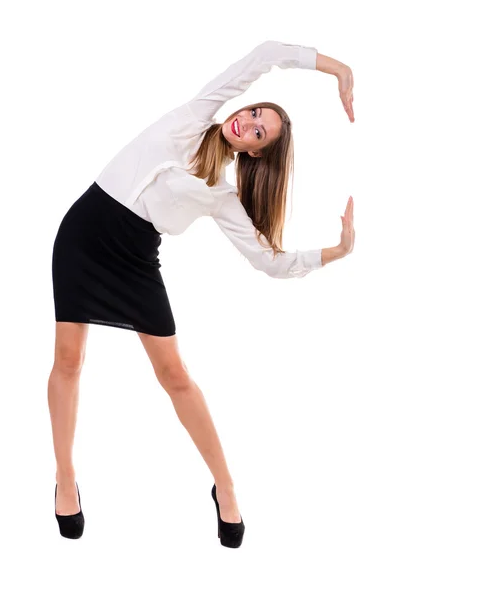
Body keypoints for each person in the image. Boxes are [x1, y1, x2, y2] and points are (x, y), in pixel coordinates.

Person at [49, 39, 356, 547]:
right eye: (256, 112)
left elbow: (269, 262)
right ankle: (64, 479)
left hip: (133, 260)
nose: (249, 121)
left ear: (256, 152)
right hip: (83, 235)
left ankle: (226, 487)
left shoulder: (224, 196)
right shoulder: (199, 113)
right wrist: (335, 67)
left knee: (174, 375)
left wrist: (332, 253)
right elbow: (266, 54)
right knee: (69, 360)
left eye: (260, 131)